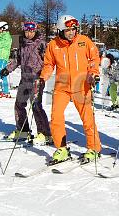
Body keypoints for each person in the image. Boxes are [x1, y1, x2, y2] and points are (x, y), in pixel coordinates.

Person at [39, 14, 102, 163]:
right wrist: (43, 78)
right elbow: (49, 64)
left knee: (87, 118)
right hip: (62, 87)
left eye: (74, 29)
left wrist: (93, 73)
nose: (72, 32)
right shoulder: (53, 45)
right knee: (56, 117)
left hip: (81, 85)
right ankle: (61, 149)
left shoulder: (84, 41)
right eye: (68, 30)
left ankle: (94, 148)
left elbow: (94, 58)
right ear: (60, 30)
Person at [1, 21, 52, 145]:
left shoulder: (41, 43)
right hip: (24, 78)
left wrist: (43, 76)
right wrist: (7, 69)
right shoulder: (23, 43)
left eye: (31, 31)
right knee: (19, 105)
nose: (29, 34)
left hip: (37, 79)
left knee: (36, 105)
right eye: (27, 31)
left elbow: (48, 61)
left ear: (35, 31)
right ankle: (23, 130)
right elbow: (18, 59)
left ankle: (45, 134)